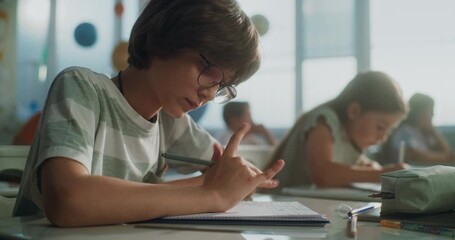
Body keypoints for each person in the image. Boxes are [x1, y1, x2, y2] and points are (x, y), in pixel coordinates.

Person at [13, 0, 285, 227]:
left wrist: (237, 179)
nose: (211, 94)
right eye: (210, 72)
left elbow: (223, 171)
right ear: (162, 37)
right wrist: (211, 194)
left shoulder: (170, 120)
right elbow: (68, 200)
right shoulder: (82, 88)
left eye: (223, 86)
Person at [267, 71, 408, 189]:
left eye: (389, 131)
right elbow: (324, 174)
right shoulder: (324, 121)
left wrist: (373, 168)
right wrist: (383, 174)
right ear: (354, 111)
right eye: (381, 127)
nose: (383, 137)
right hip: (282, 207)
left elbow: (348, 167)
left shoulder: (350, 139)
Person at [377, 93, 454, 164]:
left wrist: (433, 131)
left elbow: (447, 152)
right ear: (418, 112)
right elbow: (415, 156)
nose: (433, 114)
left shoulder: (423, 133)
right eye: (430, 111)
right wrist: (445, 157)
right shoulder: (405, 131)